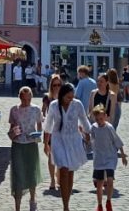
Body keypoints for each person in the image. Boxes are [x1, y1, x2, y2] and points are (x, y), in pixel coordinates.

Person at [43, 82, 91, 211]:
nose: (70, 99)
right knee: (63, 169)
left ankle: (66, 203)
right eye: (68, 97)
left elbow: (84, 121)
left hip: (73, 140)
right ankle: (65, 206)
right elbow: (48, 125)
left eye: (72, 97)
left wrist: (89, 135)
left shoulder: (77, 104)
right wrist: (45, 143)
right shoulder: (53, 105)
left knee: (70, 172)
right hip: (58, 140)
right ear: (62, 96)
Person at [8, 86, 43, 211]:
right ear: (20, 98)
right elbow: (11, 128)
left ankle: (32, 200)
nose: (26, 102)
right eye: (24, 100)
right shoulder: (14, 110)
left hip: (31, 144)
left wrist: (38, 134)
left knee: (31, 173)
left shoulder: (36, 109)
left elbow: (39, 125)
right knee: (18, 174)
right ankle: (17, 206)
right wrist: (14, 132)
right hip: (18, 144)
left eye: (28, 99)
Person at [89, 104, 127, 211]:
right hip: (99, 158)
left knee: (110, 180)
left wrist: (123, 155)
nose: (99, 121)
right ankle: (100, 204)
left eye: (101, 118)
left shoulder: (109, 128)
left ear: (105, 116)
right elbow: (91, 142)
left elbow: (117, 141)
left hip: (110, 157)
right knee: (99, 183)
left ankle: (108, 201)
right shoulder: (94, 128)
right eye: (97, 119)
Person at [41, 75, 62, 193]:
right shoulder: (47, 98)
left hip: (62, 130)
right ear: (51, 86)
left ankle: (59, 175)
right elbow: (43, 111)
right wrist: (44, 118)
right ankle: (52, 180)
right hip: (51, 129)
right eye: (55, 85)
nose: (57, 87)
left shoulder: (65, 97)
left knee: (61, 155)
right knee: (51, 155)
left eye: (59, 85)